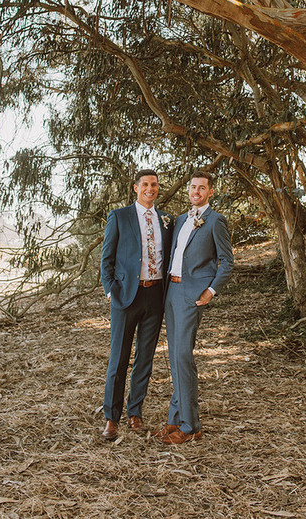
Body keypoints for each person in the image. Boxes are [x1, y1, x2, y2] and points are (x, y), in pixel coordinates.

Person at [155, 170, 234, 445]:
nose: (196, 192)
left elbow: (228, 261)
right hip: (172, 291)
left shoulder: (215, 221)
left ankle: (191, 425)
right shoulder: (179, 220)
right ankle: (174, 419)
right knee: (175, 358)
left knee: (183, 357)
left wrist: (211, 291)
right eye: (192, 187)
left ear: (210, 192)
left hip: (192, 296)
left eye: (202, 188)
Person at [100, 168, 173, 440]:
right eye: (145, 184)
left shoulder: (166, 219)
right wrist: (110, 291)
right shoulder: (119, 217)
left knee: (145, 359)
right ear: (136, 187)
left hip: (155, 296)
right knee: (118, 359)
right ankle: (111, 418)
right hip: (125, 297)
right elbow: (106, 258)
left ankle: (135, 412)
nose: (150, 189)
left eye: (154, 185)